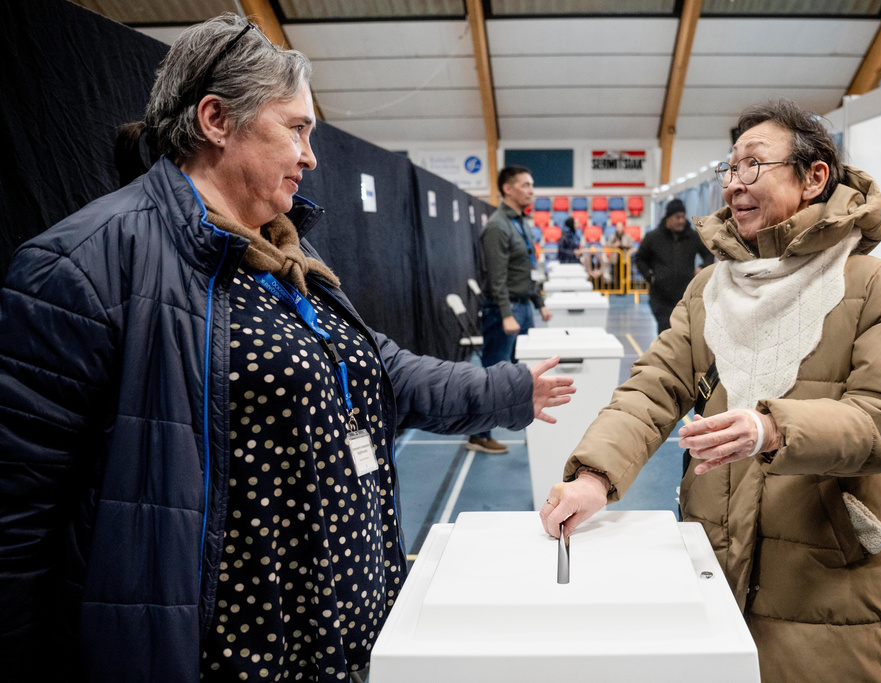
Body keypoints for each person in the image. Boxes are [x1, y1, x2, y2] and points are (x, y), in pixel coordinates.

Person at [0, 15, 575, 682]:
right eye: (296, 128)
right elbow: (18, 524)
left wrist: (505, 390)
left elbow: (375, 369)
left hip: (339, 632)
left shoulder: (279, 251)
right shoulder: (83, 265)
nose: (310, 155)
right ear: (217, 119)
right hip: (236, 653)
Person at [540, 99, 881, 682]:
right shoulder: (709, 290)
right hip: (713, 545)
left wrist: (773, 428)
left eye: (753, 166)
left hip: (824, 569)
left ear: (814, 177)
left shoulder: (876, 288)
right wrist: (596, 474)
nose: (733, 185)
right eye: (730, 168)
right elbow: (654, 389)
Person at [467, 165, 553, 454]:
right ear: (508, 189)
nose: (531, 190)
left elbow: (526, 268)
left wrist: (539, 303)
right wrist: (505, 314)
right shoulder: (497, 226)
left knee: (522, 374)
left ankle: (522, 422)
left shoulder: (520, 222)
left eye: (532, 185)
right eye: (526, 185)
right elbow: (497, 276)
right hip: (505, 311)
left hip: (523, 307)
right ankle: (479, 434)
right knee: (494, 375)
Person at [634, 197, 713, 333]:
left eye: (683, 217)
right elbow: (640, 258)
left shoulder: (693, 237)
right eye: (677, 217)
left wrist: (701, 267)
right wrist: (650, 276)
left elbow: (709, 253)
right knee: (667, 333)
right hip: (661, 298)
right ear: (668, 218)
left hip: (685, 297)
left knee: (685, 334)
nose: (681, 220)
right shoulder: (653, 237)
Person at [605, 221, 634, 289]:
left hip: (624, 258)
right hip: (615, 259)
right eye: (617, 227)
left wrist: (624, 245)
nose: (619, 229)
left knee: (624, 274)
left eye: (620, 227)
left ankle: (624, 288)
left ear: (623, 228)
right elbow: (608, 245)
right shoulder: (613, 237)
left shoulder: (627, 236)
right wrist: (615, 245)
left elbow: (631, 245)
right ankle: (617, 288)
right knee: (616, 274)